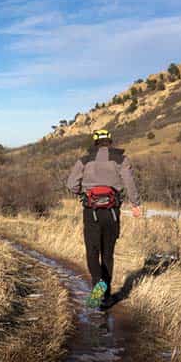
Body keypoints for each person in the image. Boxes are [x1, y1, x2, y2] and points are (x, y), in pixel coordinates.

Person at [66, 129, 143, 308]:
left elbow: (71, 185)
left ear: (95, 142)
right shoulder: (121, 159)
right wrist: (136, 204)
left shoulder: (84, 160)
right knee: (107, 254)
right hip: (112, 212)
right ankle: (105, 296)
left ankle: (98, 288)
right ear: (110, 141)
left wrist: (83, 192)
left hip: (90, 211)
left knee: (93, 252)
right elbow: (130, 183)